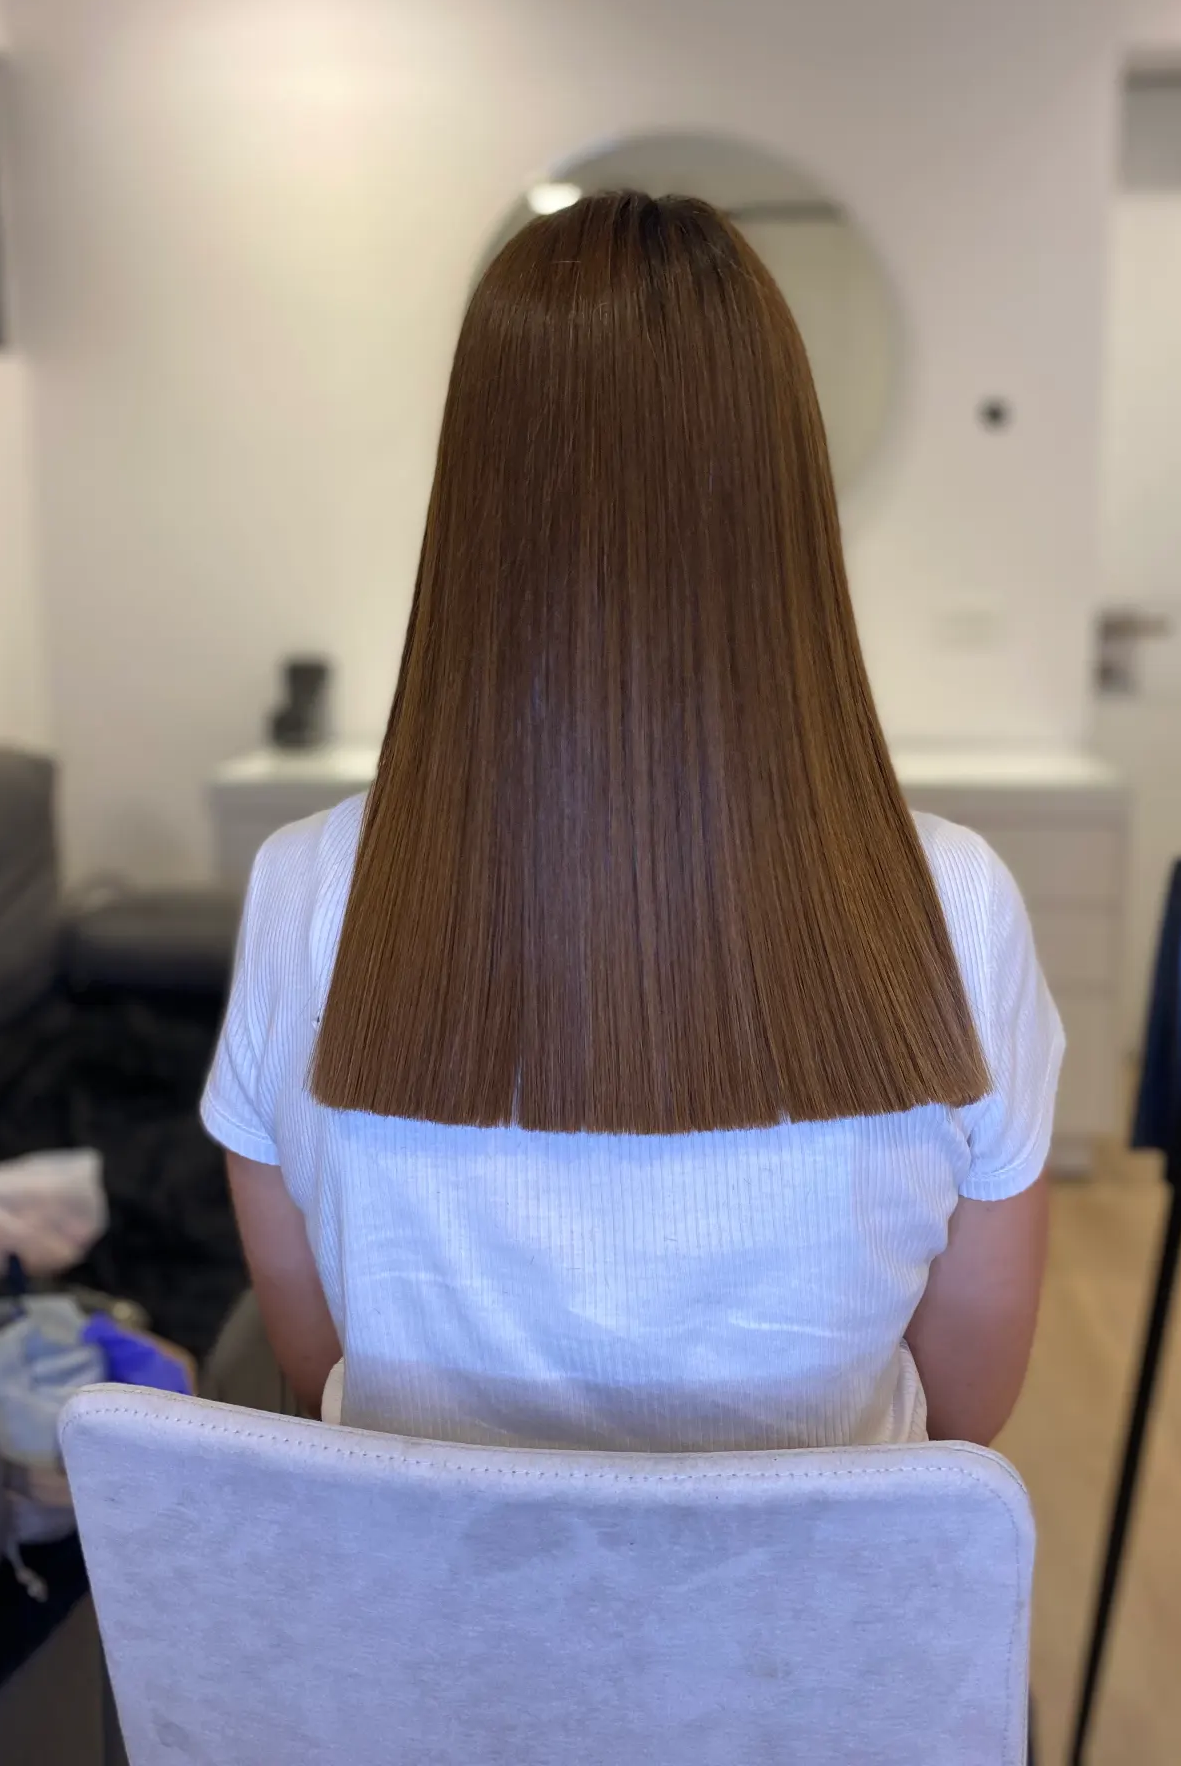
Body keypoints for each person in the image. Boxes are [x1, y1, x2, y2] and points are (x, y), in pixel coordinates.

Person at [202, 191, 1061, 1452]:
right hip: (812, 1588)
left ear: (472, 501)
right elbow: (963, 1415)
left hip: (420, 1586)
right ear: (787, 500)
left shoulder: (305, 890)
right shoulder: (953, 904)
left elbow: (313, 1353)